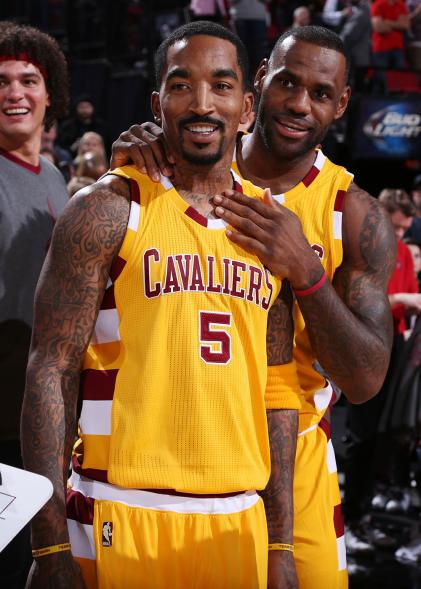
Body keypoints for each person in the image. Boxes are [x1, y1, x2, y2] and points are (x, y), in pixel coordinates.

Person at [110, 24, 396, 589]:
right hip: (181, 445)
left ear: (341, 105)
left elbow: (364, 382)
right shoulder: (176, 162)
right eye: (287, 82)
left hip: (299, 449)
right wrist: (129, 167)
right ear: (259, 81)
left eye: (320, 93)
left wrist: (309, 274)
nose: (297, 103)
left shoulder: (352, 213)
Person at [21, 21, 303, 589]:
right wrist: (48, 543)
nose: (202, 103)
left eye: (222, 86)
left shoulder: (274, 229)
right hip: (118, 509)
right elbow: (50, 370)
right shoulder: (106, 208)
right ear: (157, 103)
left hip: (237, 519)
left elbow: (277, 388)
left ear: (247, 107)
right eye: (182, 85)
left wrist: (280, 543)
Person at [0, 20, 69, 589]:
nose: (14, 92)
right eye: (0, 81)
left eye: (29, 79)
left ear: (51, 95)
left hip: (32, 417)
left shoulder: (55, 177)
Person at [344, 188, 420, 552]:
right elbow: (363, 299)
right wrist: (403, 300)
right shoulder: (363, 243)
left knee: (382, 439)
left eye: (406, 229)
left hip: (396, 349)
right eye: (397, 227)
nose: (402, 235)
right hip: (364, 347)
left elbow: (404, 300)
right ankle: (351, 520)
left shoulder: (403, 251)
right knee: (361, 437)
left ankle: (361, 517)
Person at [370, 0, 410, 94]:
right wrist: (397, 23)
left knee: (399, 83)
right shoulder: (378, 4)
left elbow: (405, 25)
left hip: (398, 49)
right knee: (380, 82)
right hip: (381, 49)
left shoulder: (401, 5)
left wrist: (387, 22)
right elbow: (379, 28)